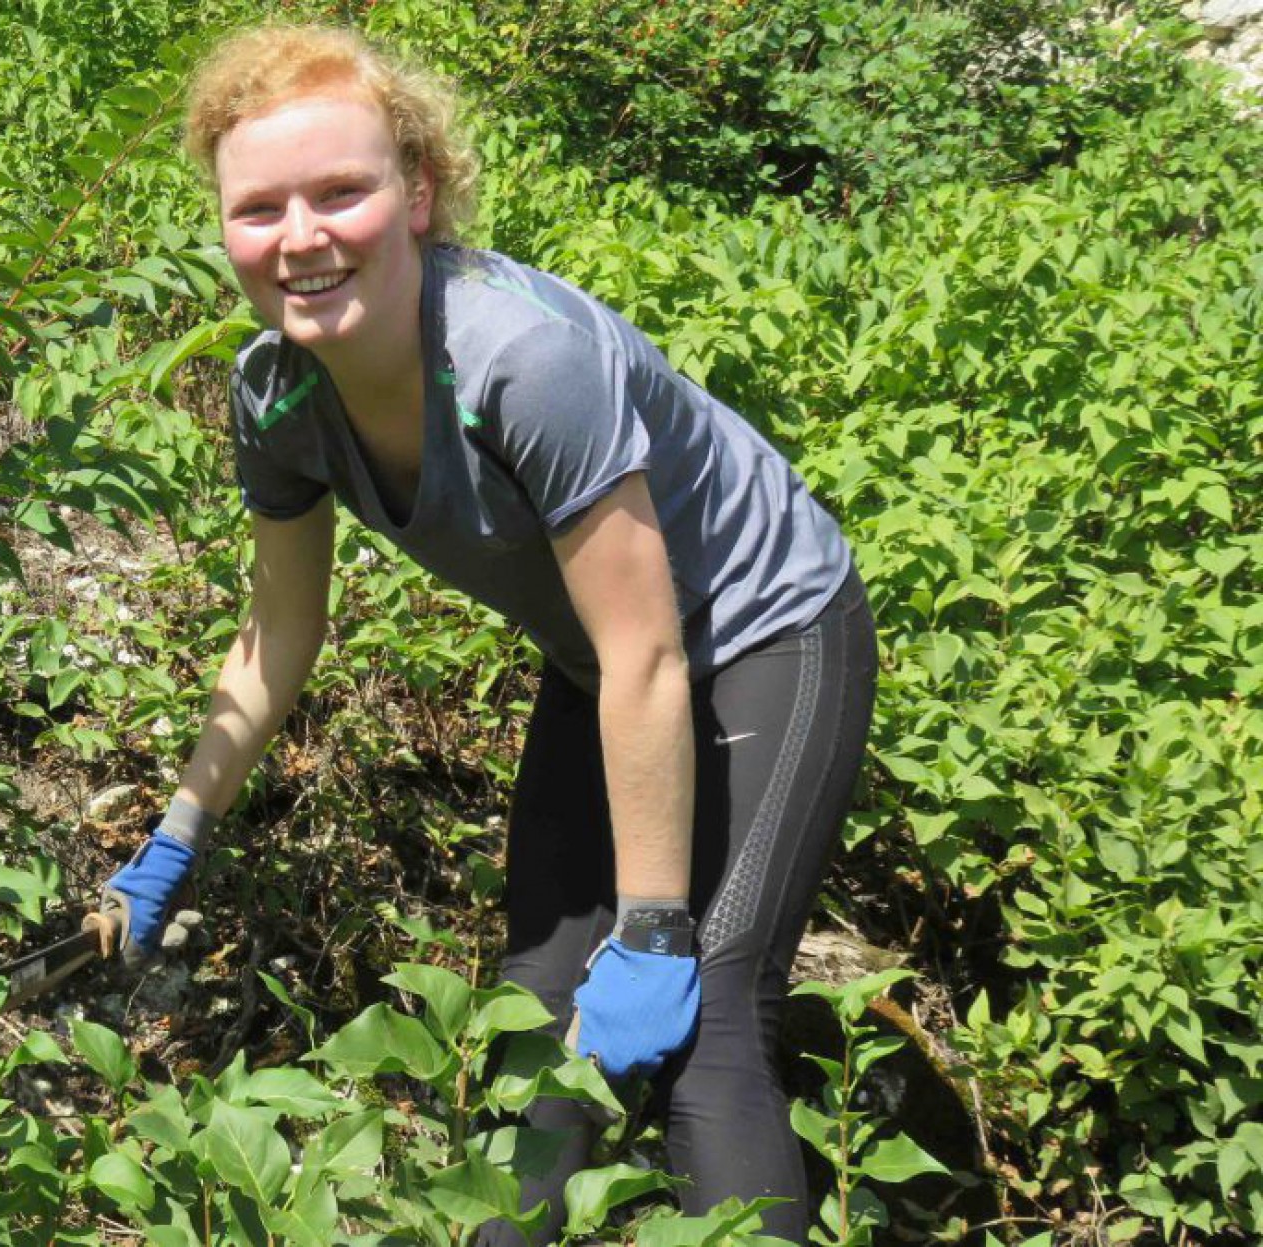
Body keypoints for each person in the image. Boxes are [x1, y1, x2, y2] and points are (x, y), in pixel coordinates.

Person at [98, 22, 878, 1246]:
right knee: (529, 1008)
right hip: (602, 661)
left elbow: (652, 654)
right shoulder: (275, 395)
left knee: (707, 1009)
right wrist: (173, 836)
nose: (298, 238)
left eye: (339, 192)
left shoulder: (521, 361)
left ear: (416, 194)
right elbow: (278, 630)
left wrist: (656, 923)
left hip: (764, 630)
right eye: (257, 208)